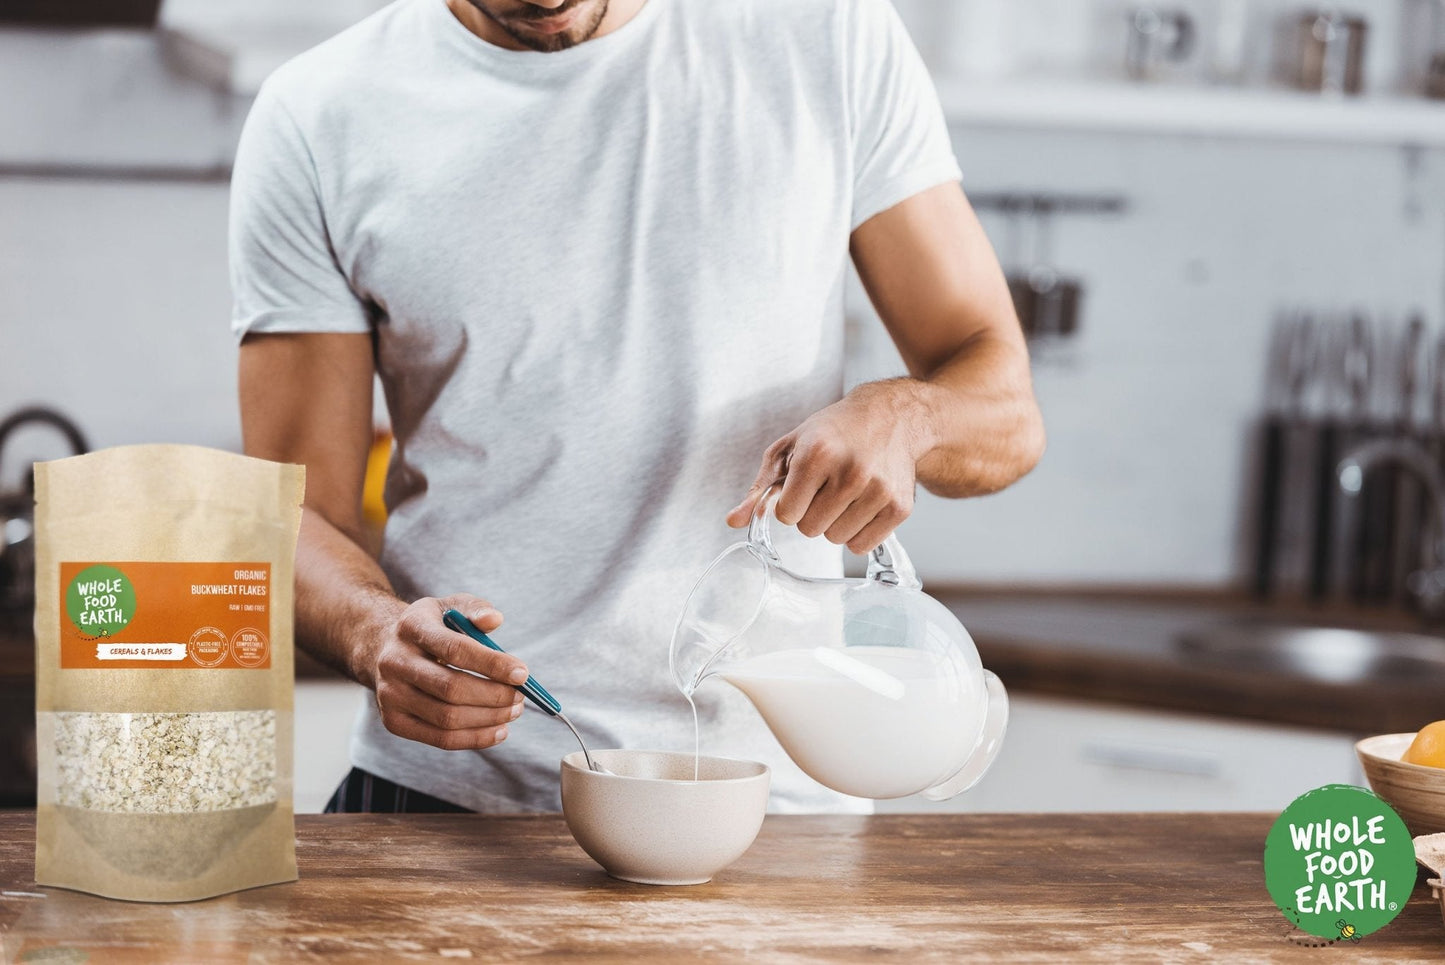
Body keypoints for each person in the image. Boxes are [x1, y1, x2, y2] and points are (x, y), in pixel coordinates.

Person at [233, 0, 1044, 814]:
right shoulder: (320, 111)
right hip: (451, 796)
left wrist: (904, 417)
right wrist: (375, 634)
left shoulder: (826, 33)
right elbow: (290, 514)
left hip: (772, 806)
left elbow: (1004, 414)